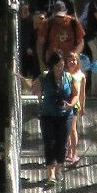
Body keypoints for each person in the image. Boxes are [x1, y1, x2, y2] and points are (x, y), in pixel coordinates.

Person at [39, 53, 73, 183]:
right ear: (52, 66)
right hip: (47, 115)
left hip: (64, 116)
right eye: (57, 66)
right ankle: (50, 174)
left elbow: (75, 94)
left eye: (61, 65)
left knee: (62, 143)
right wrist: (24, 81)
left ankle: (59, 169)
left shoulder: (68, 77)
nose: (60, 68)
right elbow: (33, 86)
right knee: (49, 143)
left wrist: (70, 105)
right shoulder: (45, 77)